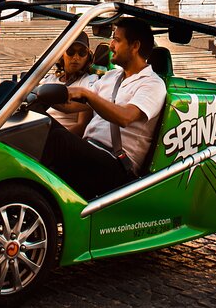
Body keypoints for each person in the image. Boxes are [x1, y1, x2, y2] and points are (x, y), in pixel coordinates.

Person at [41, 17, 166, 199]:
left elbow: (126, 117)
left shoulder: (152, 84)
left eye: (117, 39)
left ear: (135, 46)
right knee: (39, 125)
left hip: (117, 165)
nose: (111, 45)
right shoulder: (111, 77)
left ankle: (35, 194)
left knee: (60, 139)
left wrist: (87, 94)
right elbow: (71, 107)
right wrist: (38, 94)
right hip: (89, 152)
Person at [40, 32, 98, 135]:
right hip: (39, 130)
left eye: (82, 53)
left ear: (88, 57)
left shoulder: (89, 82)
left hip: (61, 137)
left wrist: (55, 141)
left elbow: (82, 125)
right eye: (71, 51)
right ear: (62, 54)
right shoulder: (50, 79)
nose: (76, 57)